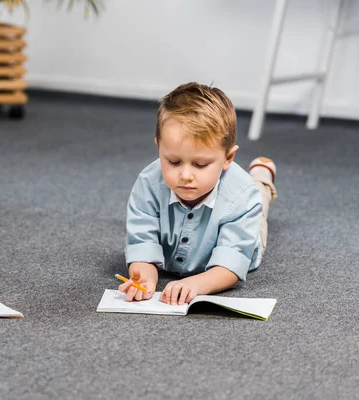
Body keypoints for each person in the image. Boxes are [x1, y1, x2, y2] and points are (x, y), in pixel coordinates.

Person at [118, 82, 277, 305]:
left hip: (245, 219)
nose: (185, 175)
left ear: (228, 159)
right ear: (159, 148)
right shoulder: (148, 183)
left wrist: (195, 285)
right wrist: (144, 276)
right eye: (173, 161)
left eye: (200, 164)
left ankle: (261, 177)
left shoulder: (242, 195)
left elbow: (230, 265)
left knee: (259, 208)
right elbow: (141, 242)